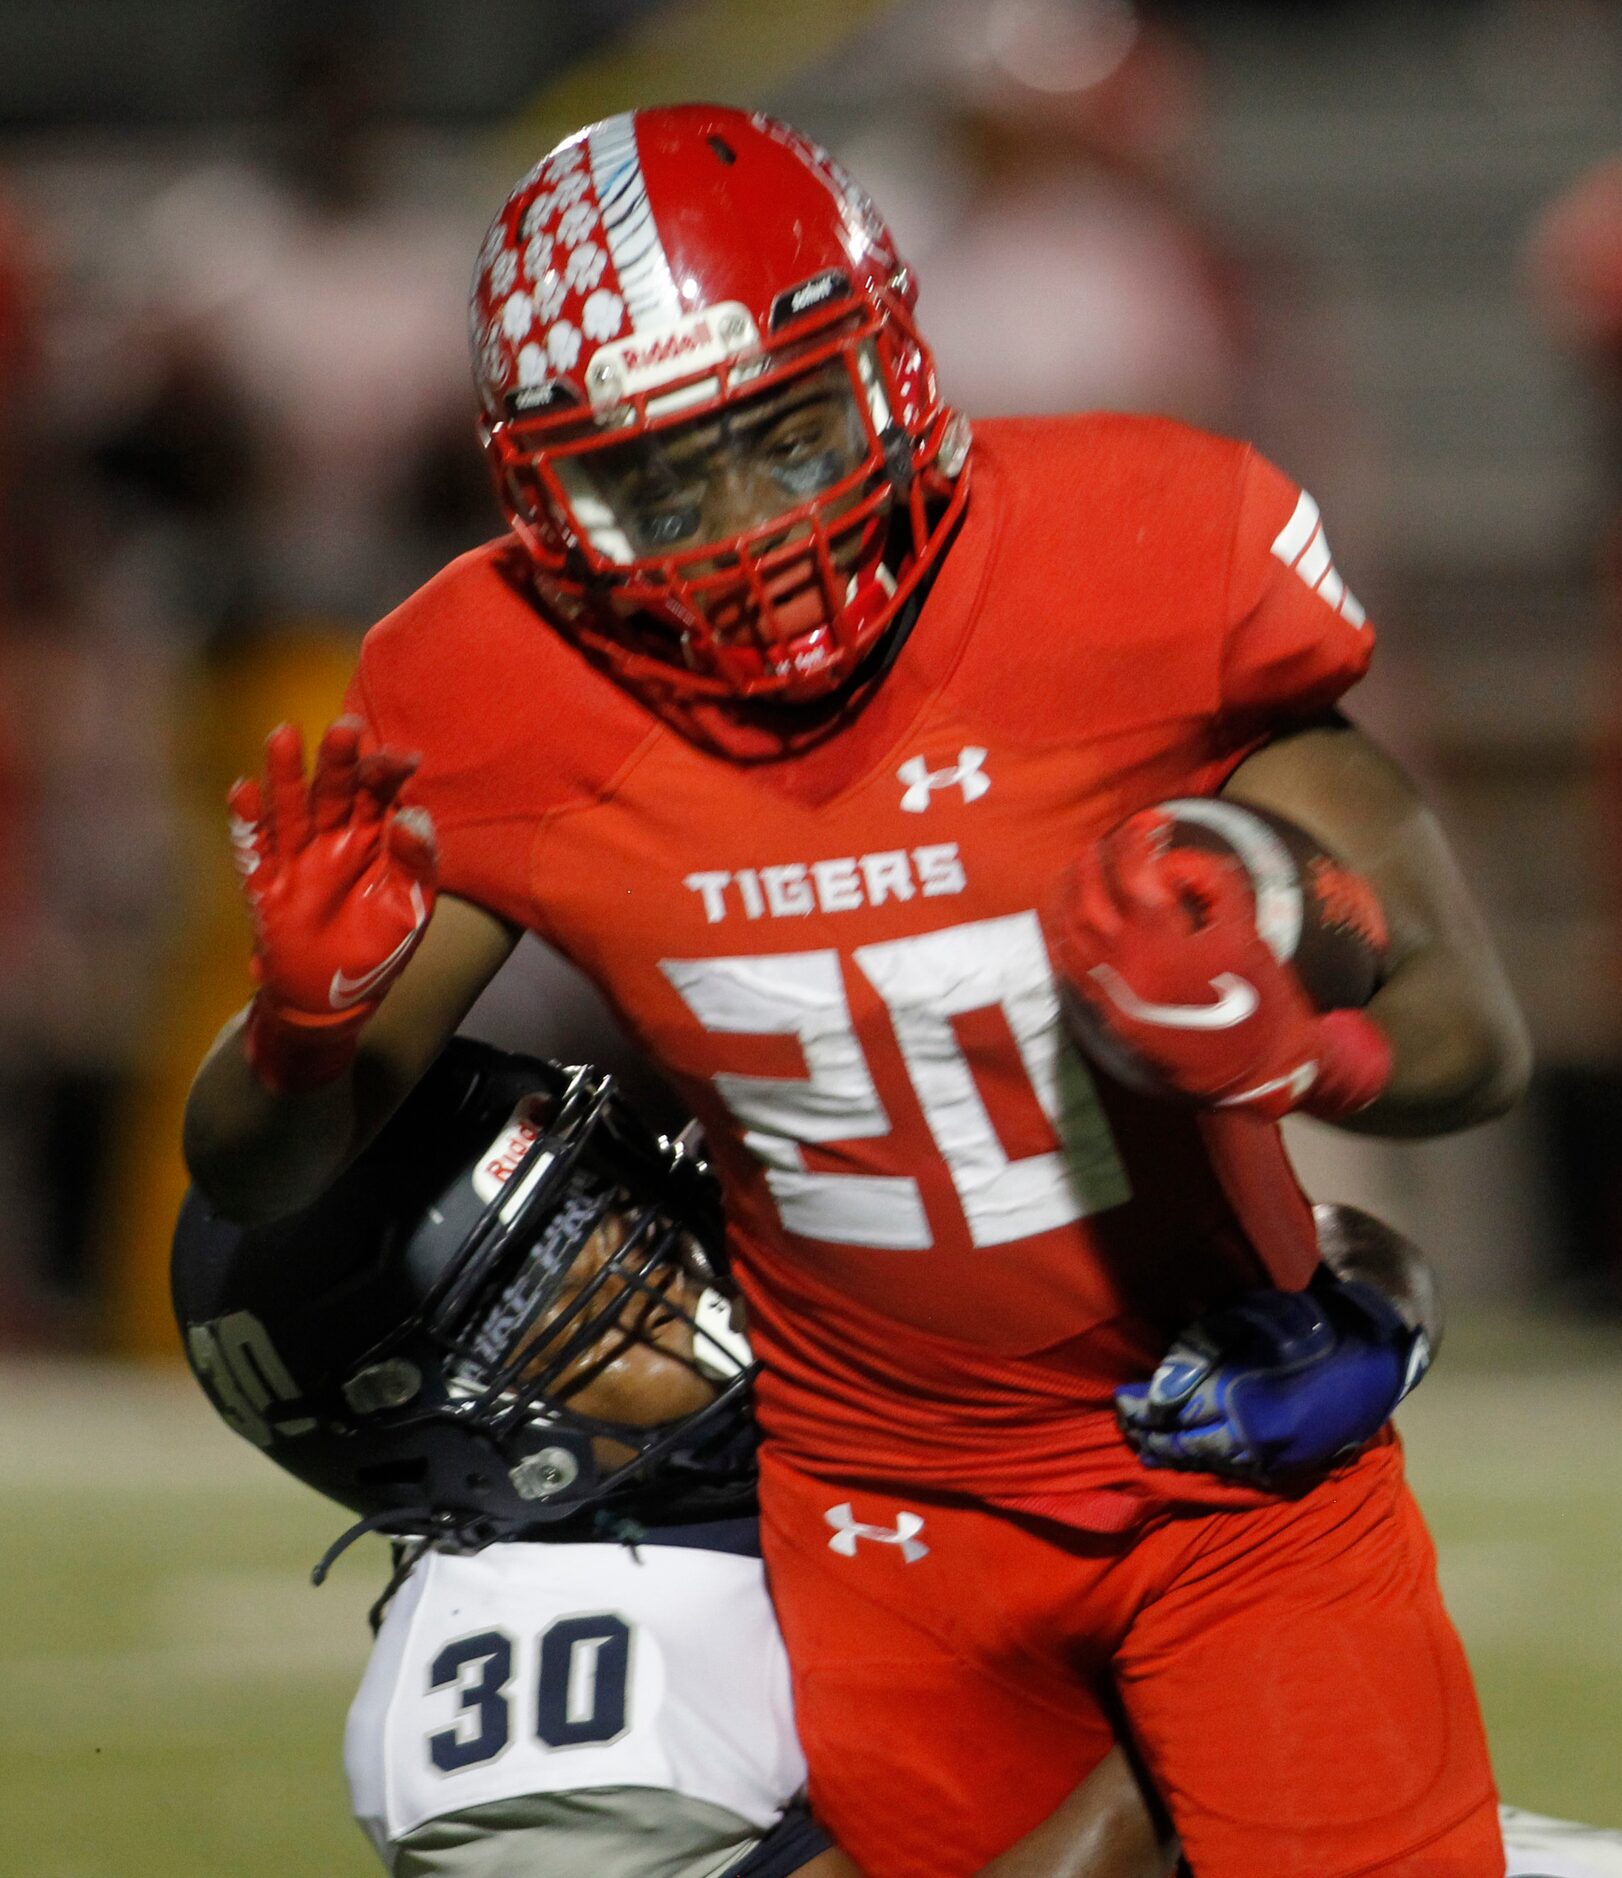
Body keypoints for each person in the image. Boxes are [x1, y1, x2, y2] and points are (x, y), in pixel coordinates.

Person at [183, 105, 1539, 1876]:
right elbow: (260, 1176)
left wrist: (1320, 1037)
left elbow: (1472, 1036)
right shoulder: (491, 686)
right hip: (876, 1514)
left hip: (1229, 1461)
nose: (750, 530)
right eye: (658, 485)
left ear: (891, 362)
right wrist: (297, 1034)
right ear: (539, 494)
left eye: (787, 434)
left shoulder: (1140, 548)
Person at [174, 1038, 1622, 1878]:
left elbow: (1286, 1264)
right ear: (453, 1410)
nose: (690, 1262)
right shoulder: (516, 1697)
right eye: (590, 1272)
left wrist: (1357, 1309)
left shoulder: (843, 1324)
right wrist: (1216, 1660)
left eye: (638, 1200)